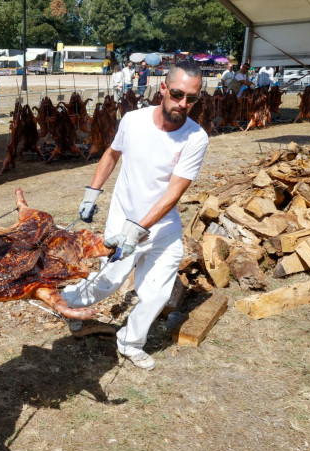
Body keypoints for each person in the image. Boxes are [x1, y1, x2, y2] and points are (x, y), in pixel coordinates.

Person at [63, 60, 209, 370]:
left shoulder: (196, 138)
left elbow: (174, 193)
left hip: (163, 229)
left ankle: (131, 342)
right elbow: (112, 154)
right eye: (178, 94)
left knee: (157, 292)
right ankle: (65, 302)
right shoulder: (133, 121)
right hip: (121, 221)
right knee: (108, 283)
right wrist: (93, 192)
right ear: (163, 89)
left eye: (192, 99)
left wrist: (139, 228)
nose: (183, 104)